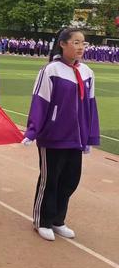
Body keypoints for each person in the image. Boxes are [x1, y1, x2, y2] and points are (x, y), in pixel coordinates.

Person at [22, 28, 100, 242]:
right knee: (50, 180)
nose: (80, 47)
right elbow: (40, 101)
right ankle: (43, 221)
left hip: (75, 138)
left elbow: (90, 107)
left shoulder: (87, 72)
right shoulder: (51, 70)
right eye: (76, 42)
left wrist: (89, 136)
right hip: (53, 135)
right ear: (63, 44)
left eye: (83, 43)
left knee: (70, 180)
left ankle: (58, 219)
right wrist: (33, 130)